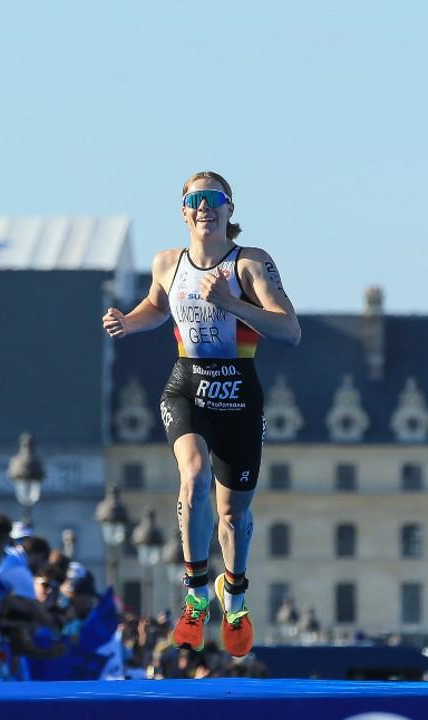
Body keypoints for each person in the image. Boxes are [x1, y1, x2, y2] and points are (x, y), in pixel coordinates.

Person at [102, 171, 300, 659]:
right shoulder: (167, 262)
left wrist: (232, 304)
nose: (204, 207)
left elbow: (290, 330)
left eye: (214, 199)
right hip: (188, 385)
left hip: (238, 391)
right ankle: (194, 594)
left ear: (230, 210)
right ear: (184, 210)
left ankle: (232, 597)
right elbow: (155, 306)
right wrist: (129, 322)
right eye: (195, 199)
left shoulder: (250, 263)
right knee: (191, 477)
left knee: (233, 514)